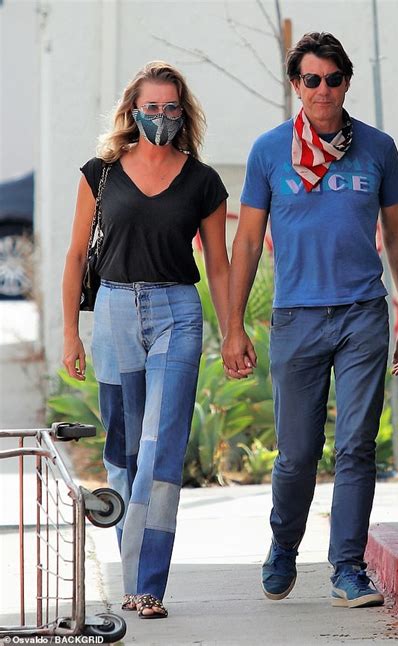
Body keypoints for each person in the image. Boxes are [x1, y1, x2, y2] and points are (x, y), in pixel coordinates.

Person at [221, 32, 398, 609]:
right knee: (297, 452)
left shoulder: (379, 149)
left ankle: (348, 568)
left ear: (347, 82)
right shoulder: (269, 152)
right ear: (296, 86)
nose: (323, 90)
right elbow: (249, 241)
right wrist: (233, 326)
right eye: (312, 79)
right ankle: (284, 546)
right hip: (297, 318)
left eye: (334, 79)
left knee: (358, 446)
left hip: (362, 314)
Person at [62, 61, 229, 618]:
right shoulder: (100, 173)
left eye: (171, 107)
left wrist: (233, 332)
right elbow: (75, 255)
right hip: (112, 312)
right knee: (124, 450)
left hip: (177, 313)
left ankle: (148, 586)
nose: (161, 116)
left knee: (160, 447)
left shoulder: (203, 181)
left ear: (184, 113)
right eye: (151, 107)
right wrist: (70, 334)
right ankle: (131, 572)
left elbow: (220, 266)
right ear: (133, 111)